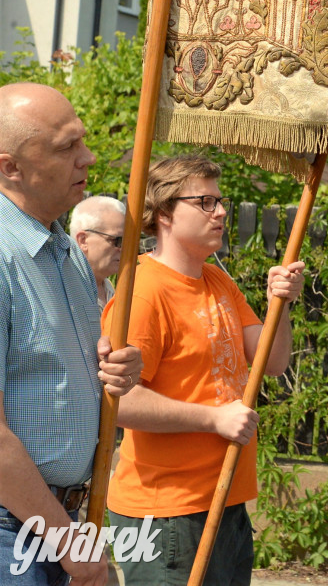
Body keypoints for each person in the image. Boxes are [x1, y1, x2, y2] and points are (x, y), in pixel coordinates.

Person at [104, 155, 305, 585]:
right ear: (163, 213)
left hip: (225, 499)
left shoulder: (217, 280)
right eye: (205, 202)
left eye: (220, 201)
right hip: (165, 514)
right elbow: (119, 403)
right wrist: (214, 418)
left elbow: (272, 361)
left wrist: (280, 302)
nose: (220, 212)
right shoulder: (143, 291)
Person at [0, 82, 142, 586]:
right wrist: (69, 543)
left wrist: (114, 368)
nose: (89, 157)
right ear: (9, 166)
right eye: (66, 147)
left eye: (82, 140)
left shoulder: (65, 253)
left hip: (58, 518)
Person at [70, 195, 126, 308]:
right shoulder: (67, 292)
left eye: (127, 240)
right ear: (83, 240)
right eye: (117, 240)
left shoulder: (108, 287)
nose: (123, 248)